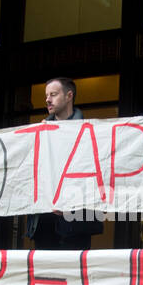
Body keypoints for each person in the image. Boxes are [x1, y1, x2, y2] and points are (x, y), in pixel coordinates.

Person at [25, 77, 103, 251]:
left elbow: (96, 174)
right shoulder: (42, 132)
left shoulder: (91, 133)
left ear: (69, 96)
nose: (47, 99)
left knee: (73, 272)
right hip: (44, 218)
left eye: (53, 94)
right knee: (44, 274)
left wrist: (70, 203)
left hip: (76, 221)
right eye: (46, 95)